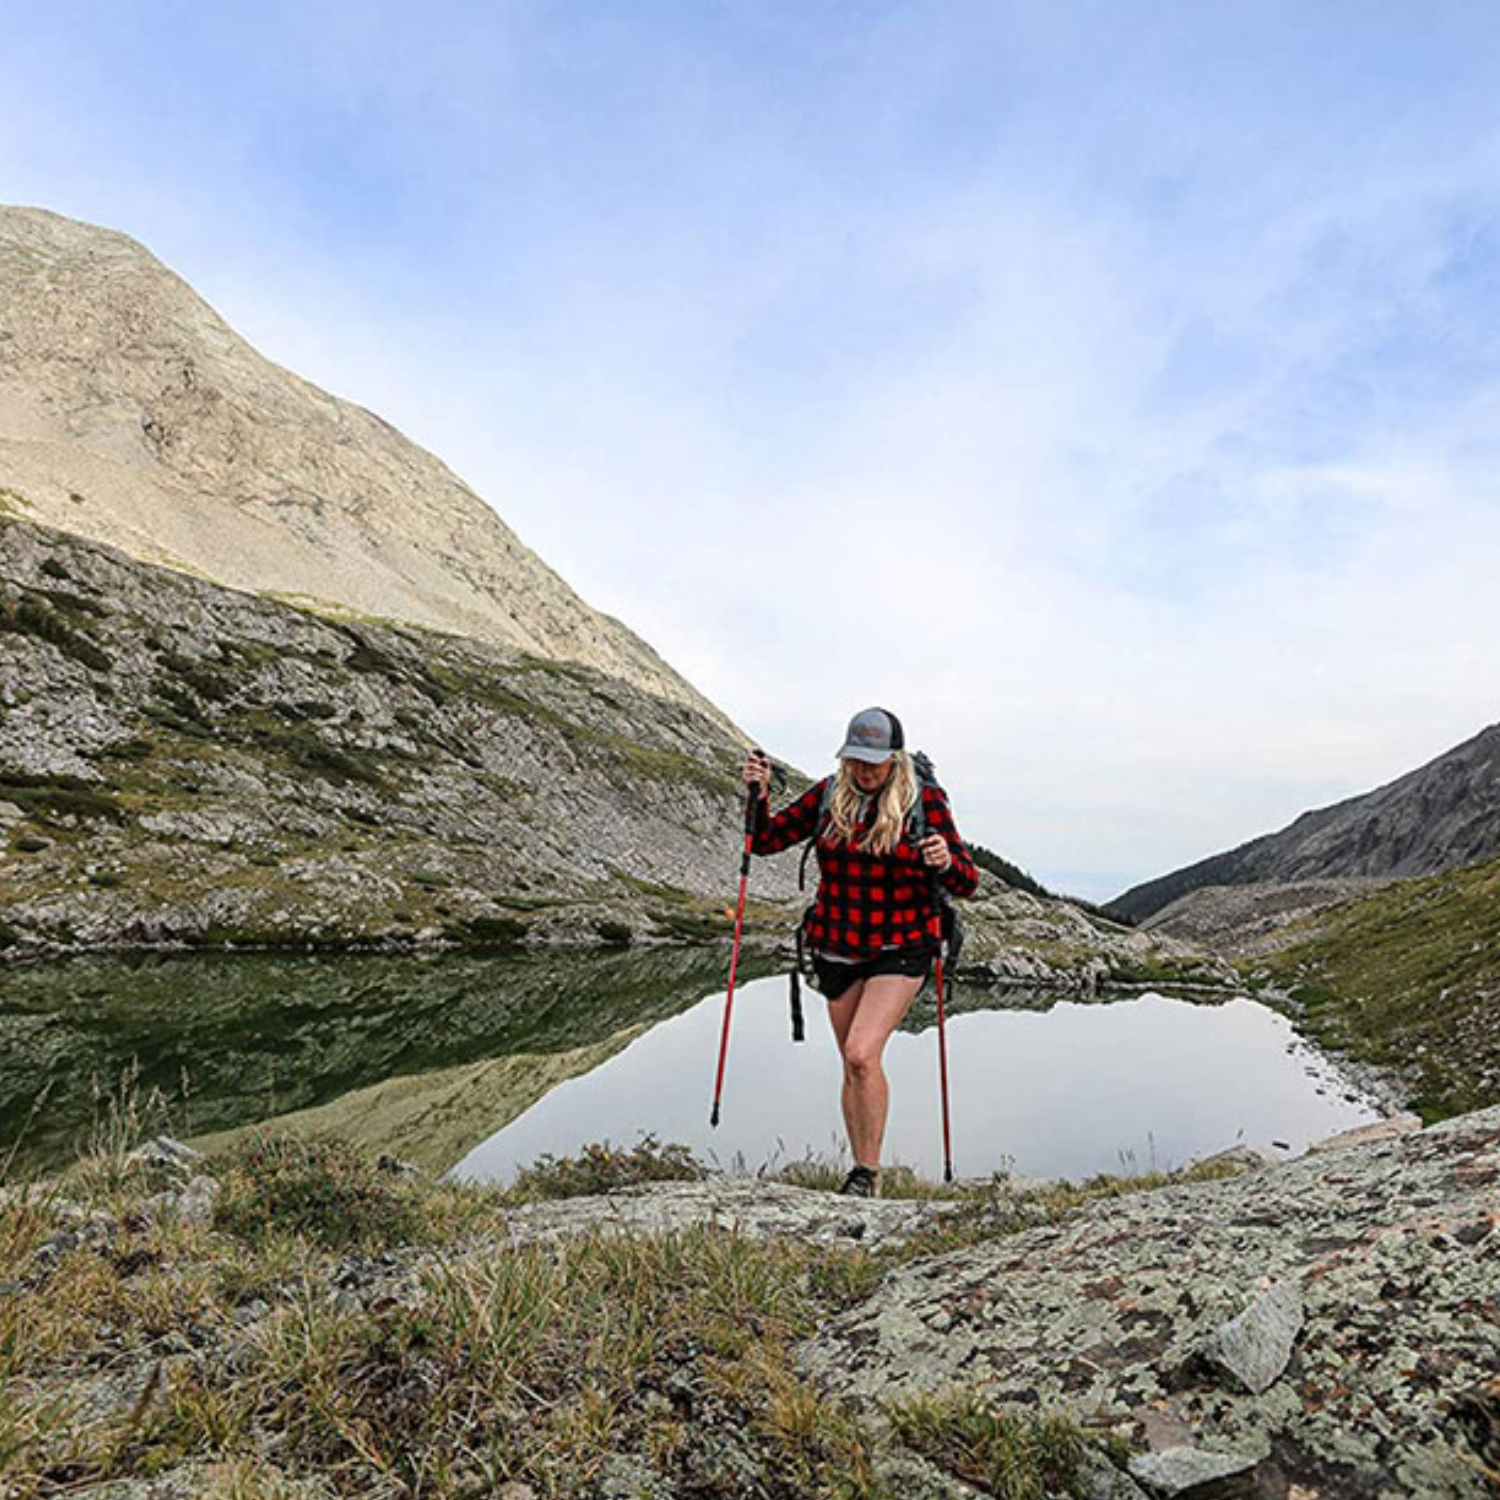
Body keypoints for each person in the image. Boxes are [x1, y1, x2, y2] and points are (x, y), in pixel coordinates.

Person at [743, 708, 978, 1197]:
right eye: (856, 760)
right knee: (853, 1065)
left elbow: (966, 881)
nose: (865, 771)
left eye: (874, 762)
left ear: (894, 758)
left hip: (903, 944)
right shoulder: (829, 794)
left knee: (861, 1052)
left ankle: (865, 1176)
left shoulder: (924, 800)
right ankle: (861, 1167)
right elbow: (765, 841)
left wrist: (945, 860)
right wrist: (758, 794)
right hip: (837, 945)